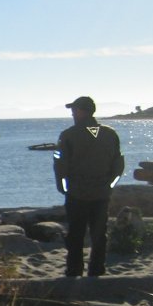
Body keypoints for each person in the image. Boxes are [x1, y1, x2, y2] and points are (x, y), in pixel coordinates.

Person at [53, 96, 124, 277]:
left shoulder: (68, 135)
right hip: (101, 193)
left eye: (74, 110)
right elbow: (119, 165)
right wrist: (110, 185)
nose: (72, 113)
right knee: (99, 234)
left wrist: (62, 186)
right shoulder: (110, 134)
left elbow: (60, 164)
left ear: (81, 111)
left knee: (76, 234)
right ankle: (97, 269)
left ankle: (74, 269)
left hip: (77, 193)